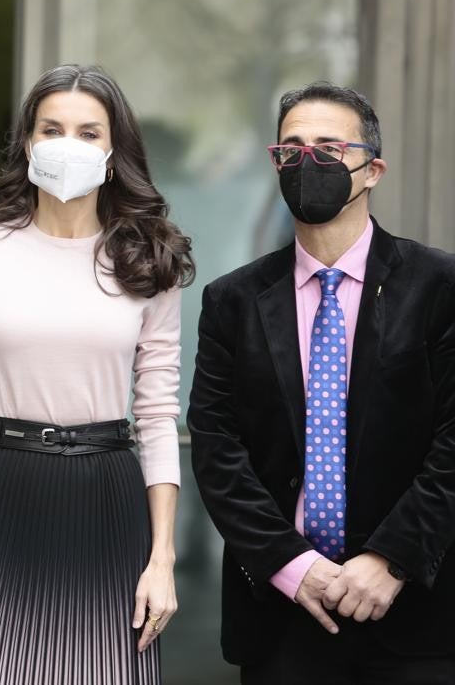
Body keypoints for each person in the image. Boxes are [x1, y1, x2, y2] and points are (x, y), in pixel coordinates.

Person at [0, 64, 194, 684]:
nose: (67, 145)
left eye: (88, 132)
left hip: (107, 495)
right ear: (27, 143)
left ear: (113, 149)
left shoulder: (148, 260)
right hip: (1, 491)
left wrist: (162, 558)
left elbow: (156, 417)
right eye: (52, 129)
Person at [189, 81, 455, 684]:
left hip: (414, 613)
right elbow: (217, 447)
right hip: (283, 617)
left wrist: (392, 558)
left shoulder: (439, 287)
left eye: (329, 150)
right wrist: (291, 563)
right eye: (291, 150)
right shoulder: (232, 300)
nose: (306, 164)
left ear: (372, 170)